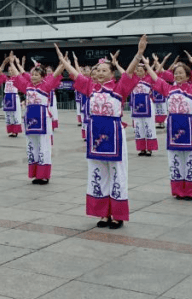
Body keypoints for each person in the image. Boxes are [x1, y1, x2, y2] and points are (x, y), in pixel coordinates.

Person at [61, 38, 147, 228]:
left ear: (112, 73)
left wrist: (138, 54)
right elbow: (75, 75)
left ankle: (117, 215)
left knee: (117, 173)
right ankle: (103, 213)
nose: (99, 73)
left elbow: (130, 71)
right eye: (97, 70)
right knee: (98, 173)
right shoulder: (90, 87)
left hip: (114, 134)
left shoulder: (119, 87)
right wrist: (63, 61)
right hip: (95, 136)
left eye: (104, 70)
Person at [149, 47, 192, 200]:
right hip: (173, 126)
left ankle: (191, 191)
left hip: (189, 126)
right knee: (175, 158)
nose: (177, 75)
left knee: (191, 158)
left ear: (187, 75)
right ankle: (179, 190)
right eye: (176, 73)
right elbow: (156, 78)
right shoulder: (168, 88)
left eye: (181, 73)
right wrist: (145, 61)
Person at [12, 55, 65, 185]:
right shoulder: (27, 86)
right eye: (32, 74)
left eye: (37, 74)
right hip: (30, 120)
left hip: (43, 119)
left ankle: (44, 175)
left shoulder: (46, 86)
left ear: (42, 77)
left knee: (43, 146)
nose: (34, 76)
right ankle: (36, 174)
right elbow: (18, 75)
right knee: (32, 146)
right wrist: (12, 63)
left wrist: (63, 63)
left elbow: (55, 74)